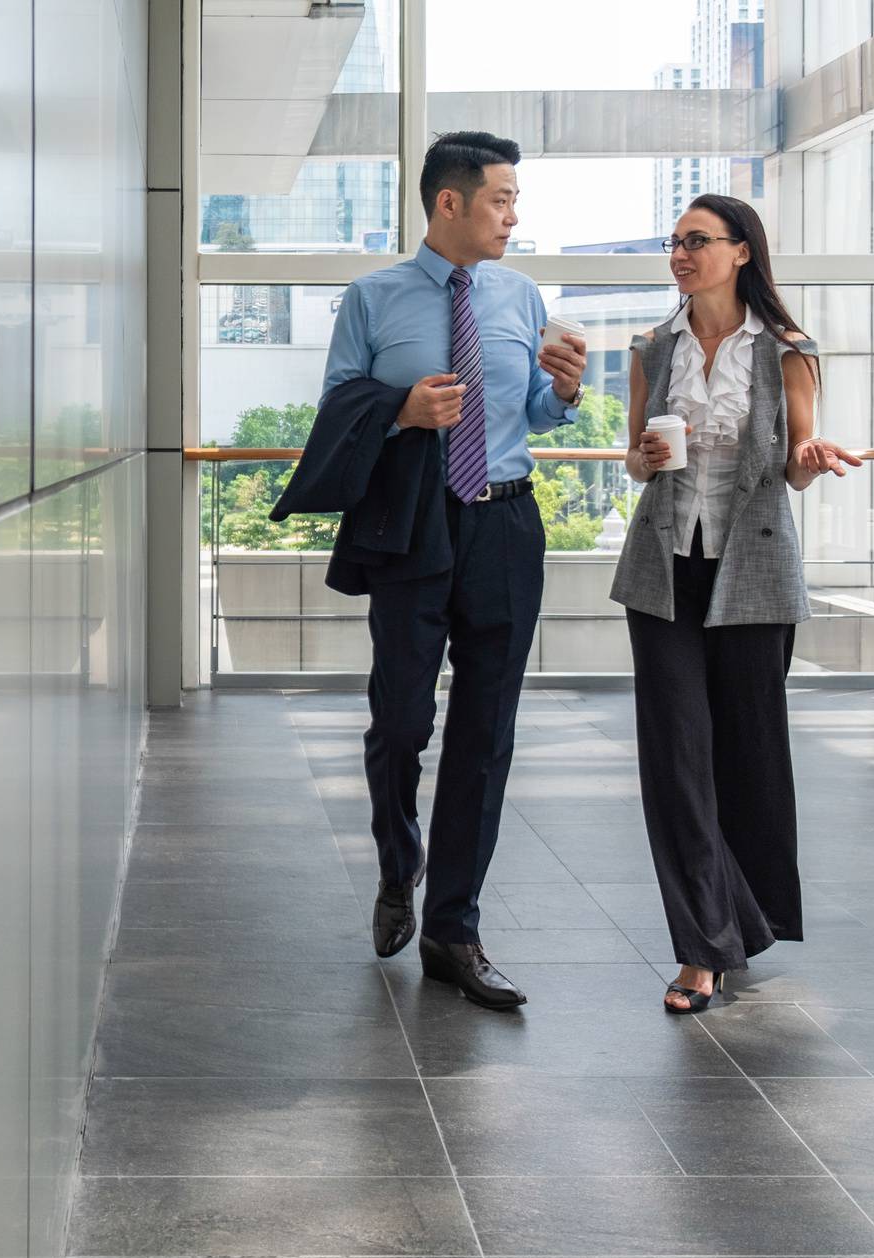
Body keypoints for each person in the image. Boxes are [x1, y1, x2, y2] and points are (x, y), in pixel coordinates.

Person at [303, 132, 585, 1009]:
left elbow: (534, 412)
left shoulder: (519, 294)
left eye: (515, 199)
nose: (513, 215)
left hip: (505, 521)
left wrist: (565, 392)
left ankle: (453, 931)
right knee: (400, 718)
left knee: (486, 733)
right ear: (449, 203)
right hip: (414, 523)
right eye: (501, 198)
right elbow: (337, 408)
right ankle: (400, 863)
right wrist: (403, 408)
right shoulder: (373, 298)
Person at [610, 194, 861, 1014]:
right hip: (663, 570)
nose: (680, 254)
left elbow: (793, 460)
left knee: (747, 755)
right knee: (676, 759)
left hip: (751, 573)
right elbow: (635, 465)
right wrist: (646, 457)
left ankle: (740, 917)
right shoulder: (653, 347)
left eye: (697, 241)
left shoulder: (787, 350)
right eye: (674, 242)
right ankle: (702, 949)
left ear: (741, 251)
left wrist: (811, 457)